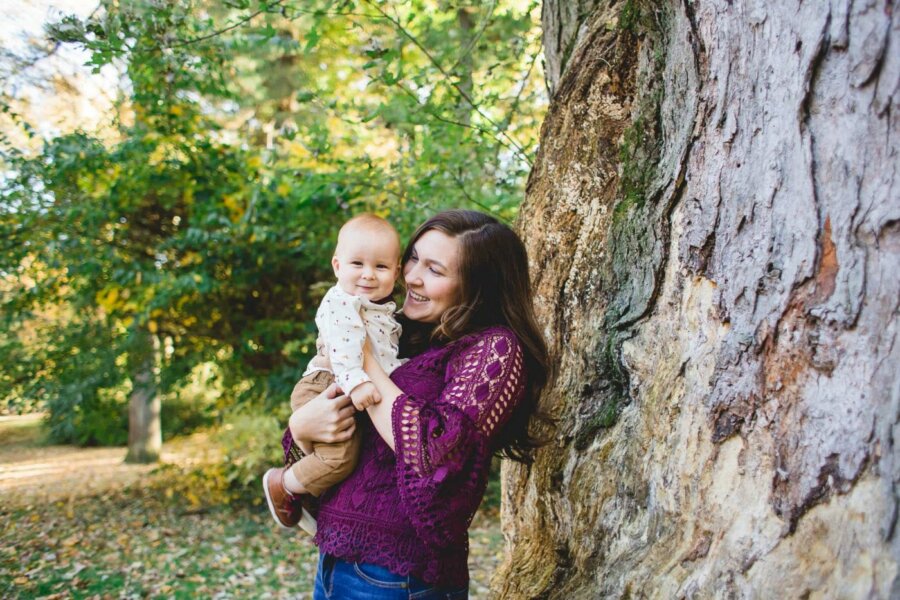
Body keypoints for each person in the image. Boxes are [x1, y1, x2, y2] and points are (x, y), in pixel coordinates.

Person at [284, 209, 550, 598]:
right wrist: (301, 427)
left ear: (477, 287)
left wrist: (363, 358)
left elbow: (433, 451)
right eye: (413, 259)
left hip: (398, 575)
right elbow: (335, 439)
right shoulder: (403, 332)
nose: (411, 276)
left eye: (435, 270)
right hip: (334, 558)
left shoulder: (495, 349)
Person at [263, 214, 405, 535]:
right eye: (358, 264)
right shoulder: (342, 302)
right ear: (337, 266)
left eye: (381, 267)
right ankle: (284, 486)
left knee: (342, 456)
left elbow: (385, 354)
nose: (368, 274)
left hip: (347, 384)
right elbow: (343, 347)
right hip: (327, 384)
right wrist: (357, 382)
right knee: (339, 457)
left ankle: (309, 496)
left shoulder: (381, 309)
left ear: (396, 272)